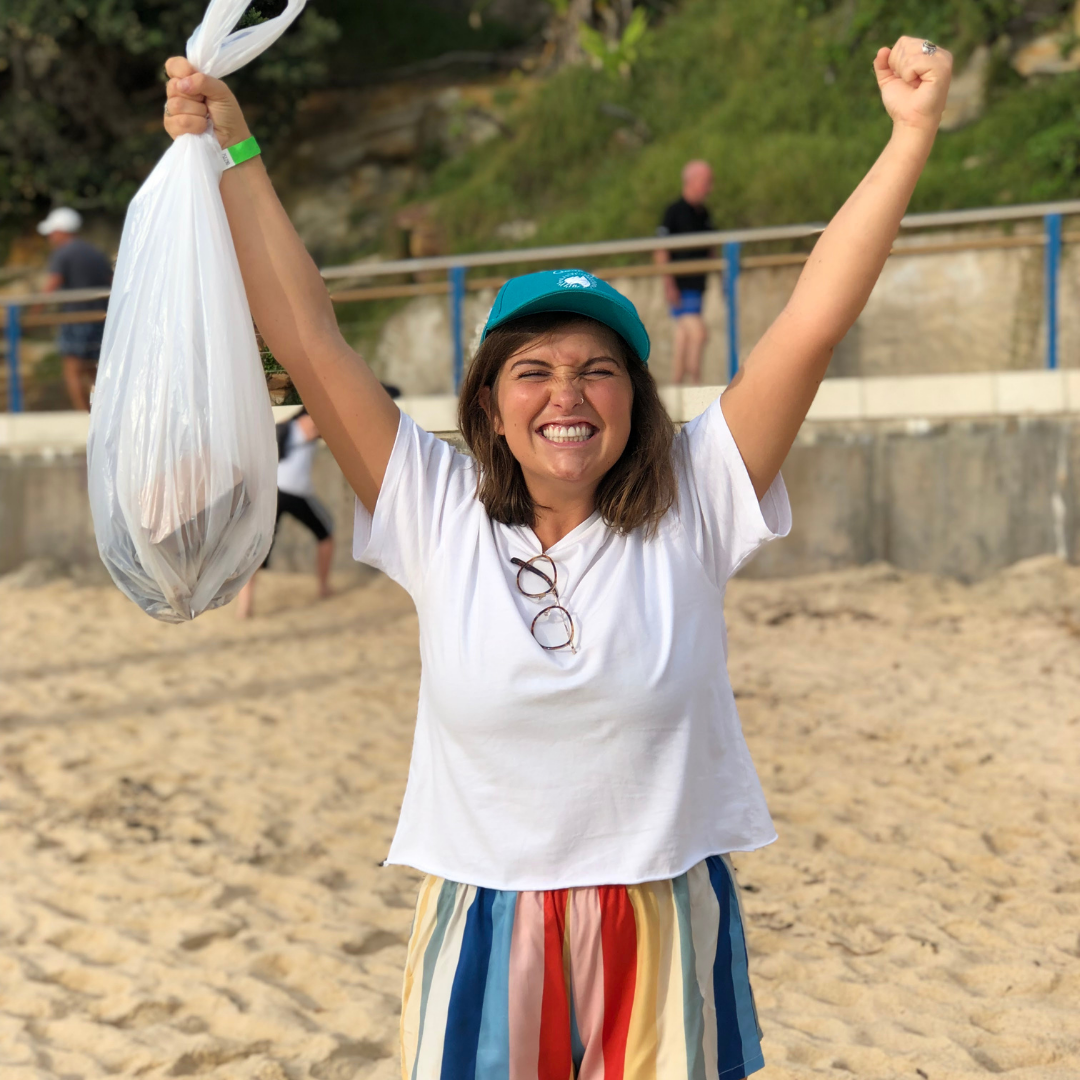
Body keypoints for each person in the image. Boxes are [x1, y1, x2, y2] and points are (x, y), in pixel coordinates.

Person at [163, 35, 951, 1078]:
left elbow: (810, 321)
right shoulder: (435, 505)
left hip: (662, 910)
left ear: (636, 393)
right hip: (486, 916)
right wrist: (233, 150)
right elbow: (310, 337)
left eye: (597, 369)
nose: (567, 395)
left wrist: (909, 138)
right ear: (489, 402)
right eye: (532, 369)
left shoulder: (696, 496)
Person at [236, 407, 334, 619]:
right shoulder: (312, 425)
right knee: (326, 535)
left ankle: (244, 607)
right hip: (296, 493)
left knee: (258, 550)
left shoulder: (283, 428)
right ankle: (323, 588)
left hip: (275, 492)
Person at [38, 207, 112, 412]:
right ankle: (105, 412)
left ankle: (83, 415)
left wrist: (33, 312)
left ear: (62, 231)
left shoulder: (63, 253)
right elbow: (112, 281)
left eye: (52, 233)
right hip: (100, 318)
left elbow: (52, 284)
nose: (50, 238)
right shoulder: (95, 252)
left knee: (72, 368)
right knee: (94, 368)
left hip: (75, 318)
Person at [654, 160, 715, 385]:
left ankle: (677, 387)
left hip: (697, 287)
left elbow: (711, 248)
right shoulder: (674, 211)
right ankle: (696, 382)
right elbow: (660, 249)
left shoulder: (704, 213)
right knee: (699, 334)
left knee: (684, 338)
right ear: (692, 182)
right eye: (706, 182)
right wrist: (668, 284)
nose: (709, 188)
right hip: (680, 288)